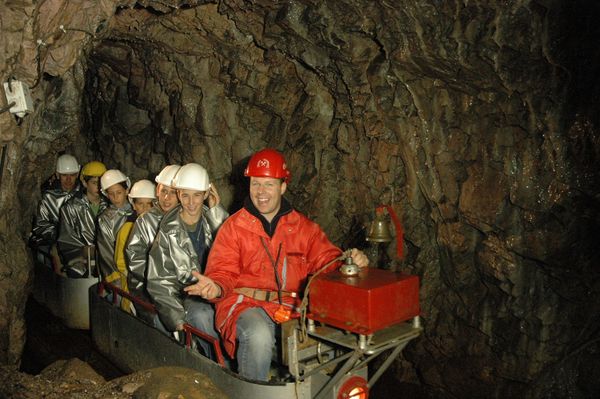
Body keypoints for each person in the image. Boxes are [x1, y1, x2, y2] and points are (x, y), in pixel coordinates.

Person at [185, 148, 369, 381]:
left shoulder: (304, 228)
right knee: (258, 334)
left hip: (290, 306)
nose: (261, 192)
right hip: (243, 302)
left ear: (282, 187)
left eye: (268, 184)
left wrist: (349, 262)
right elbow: (223, 271)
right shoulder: (233, 227)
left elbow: (327, 261)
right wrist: (216, 287)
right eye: (255, 184)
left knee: (332, 336)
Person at [146, 163, 228, 358]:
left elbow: (234, 252)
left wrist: (217, 212)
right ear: (178, 194)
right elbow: (159, 280)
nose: (191, 203)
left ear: (207, 194)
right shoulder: (167, 231)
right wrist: (176, 318)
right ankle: (219, 363)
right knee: (202, 316)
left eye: (197, 195)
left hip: (220, 289)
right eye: (185, 195)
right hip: (188, 295)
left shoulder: (215, 221)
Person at [125, 164, 181, 327]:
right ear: (157, 191)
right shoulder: (145, 221)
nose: (167, 198)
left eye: (172, 193)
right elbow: (135, 260)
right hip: (145, 286)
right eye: (164, 191)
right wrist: (160, 283)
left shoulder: (186, 219)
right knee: (159, 319)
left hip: (179, 288)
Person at [57, 161, 108, 277]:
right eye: (95, 183)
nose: (99, 187)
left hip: (106, 259)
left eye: (101, 183)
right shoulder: (71, 208)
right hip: (82, 262)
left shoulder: (110, 206)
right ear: (85, 183)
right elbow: (67, 241)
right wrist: (86, 252)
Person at [30, 154, 81, 272]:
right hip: (53, 241)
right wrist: (61, 235)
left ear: (77, 175)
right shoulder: (48, 198)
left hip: (79, 243)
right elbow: (40, 226)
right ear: (57, 175)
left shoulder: (82, 195)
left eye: (72, 175)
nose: (69, 179)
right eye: (64, 175)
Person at [114, 179, 156, 313]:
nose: (145, 208)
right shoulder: (127, 229)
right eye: (140, 204)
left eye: (149, 204)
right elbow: (121, 263)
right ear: (134, 205)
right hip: (134, 288)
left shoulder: (161, 227)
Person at [97, 169, 132, 286]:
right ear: (106, 194)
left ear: (126, 190)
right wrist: (114, 278)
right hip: (119, 273)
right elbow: (105, 250)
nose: (115, 197)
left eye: (119, 192)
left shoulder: (137, 209)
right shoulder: (105, 219)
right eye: (111, 194)